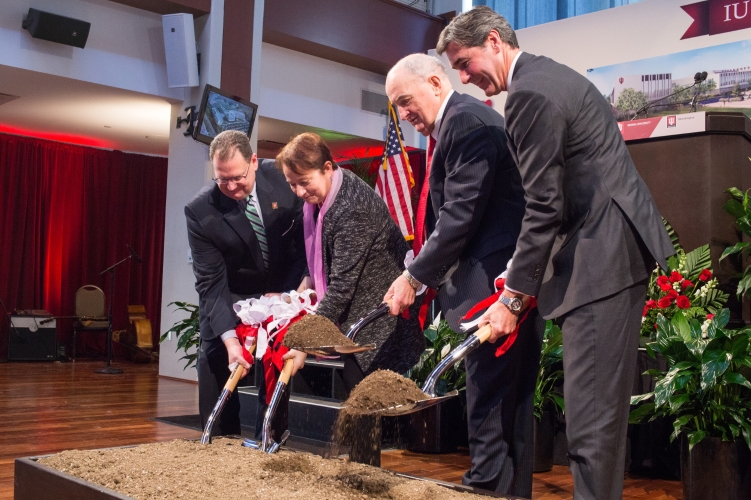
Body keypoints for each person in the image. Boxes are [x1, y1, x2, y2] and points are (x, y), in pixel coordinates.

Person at [436, 7, 675, 500]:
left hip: (601, 261)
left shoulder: (530, 94)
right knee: (597, 424)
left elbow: (543, 206)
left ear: (495, 41)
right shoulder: (545, 77)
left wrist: (513, 298)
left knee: (590, 429)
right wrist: (515, 276)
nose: (463, 76)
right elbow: (552, 201)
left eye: (465, 61)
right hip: (605, 254)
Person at [382, 54, 543, 498]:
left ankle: (484, 490)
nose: (404, 113)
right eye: (397, 106)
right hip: (494, 284)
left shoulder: (466, 122)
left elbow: (459, 216)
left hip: (495, 290)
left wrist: (413, 278)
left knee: (490, 406)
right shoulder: (458, 122)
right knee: (504, 406)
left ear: (435, 82)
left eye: (406, 100)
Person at [275, 132, 426, 465]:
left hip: (380, 316)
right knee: (357, 401)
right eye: (291, 185)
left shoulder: (352, 207)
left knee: (363, 399)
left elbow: (342, 286)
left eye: (304, 182)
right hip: (358, 315)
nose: (300, 192)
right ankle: (361, 468)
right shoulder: (322, 200)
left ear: (328, 168)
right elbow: (322, 259)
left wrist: (301, 345)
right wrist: (303, 288)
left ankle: (365, 473)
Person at [185, 130, 308, 440]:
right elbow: (211, 283)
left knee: (277, 370)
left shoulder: (283, 177)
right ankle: (219, 451)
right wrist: (230, 341)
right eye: (221, 179)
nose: (229, 186)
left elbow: (304, 242)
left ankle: (271, 442)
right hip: (231, 295)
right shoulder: (201, 211)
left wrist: (291, 293)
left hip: (282, 291)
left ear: (254, 161)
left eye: (237, 177)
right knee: (215, 360)